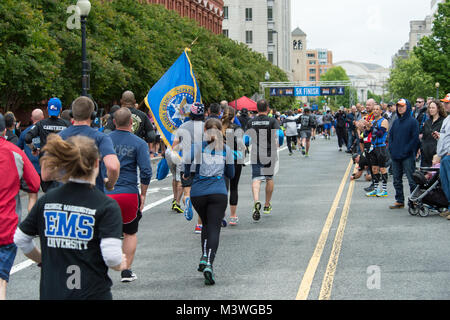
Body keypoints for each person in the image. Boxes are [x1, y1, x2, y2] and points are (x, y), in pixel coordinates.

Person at [14, 134, 126, 300]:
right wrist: (120, 264)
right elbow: (111, 257)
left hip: (52, 292)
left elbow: (21, 239)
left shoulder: (47, 200)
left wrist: (43, 259)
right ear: (96, 163)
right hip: (92, 293)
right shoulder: (106, 206)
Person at [183, 118, 234, 285]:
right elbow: (231, 174)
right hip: (218, 192)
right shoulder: (226, 149)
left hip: (199, 193)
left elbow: (186, 160)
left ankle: (204, 256)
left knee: (205, 224)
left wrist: (187, 174)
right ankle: (209, 264)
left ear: (205, 130)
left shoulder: (197, 146)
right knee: (214, 228)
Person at [105, 108, 152, 282]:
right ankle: (126, 270)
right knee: (130, 232)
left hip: (107, 192)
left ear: (114, 122)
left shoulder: (105, 141)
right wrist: (143, 194)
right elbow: (146, 171)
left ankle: (100, 271)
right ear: (132, 123)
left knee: (103, 233)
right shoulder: (139, 143)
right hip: (128, 192)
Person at [0, 113, 40, 300]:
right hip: (5, 226)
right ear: (5, 130)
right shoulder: (15, 152)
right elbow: (34, 182)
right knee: (1, 280)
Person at [55, 96, 120, 192]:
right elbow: (113, 166)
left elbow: (46, 171)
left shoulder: (59, 137)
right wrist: (110, 184)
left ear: (72, 114)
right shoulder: (101, 138)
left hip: (64, 195)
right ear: (93, 115)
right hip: (92, 195)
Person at [25, 98, 72, 192]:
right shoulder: (67, 125)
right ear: (61, 109)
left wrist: (34, 149)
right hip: (62, 164)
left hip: (46, 164)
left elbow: (27, 138)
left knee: (48, 194)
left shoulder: (40, 124)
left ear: (47, 109)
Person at [173, 102, 205, 234]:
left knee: (187, 191)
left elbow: (175, 146)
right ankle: (199, 225)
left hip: (186, 163)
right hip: (202, 164)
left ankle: (187, 201)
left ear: (191, 113)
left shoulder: (182, 126)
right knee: (203, 195)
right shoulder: (206, 127)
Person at [246, 99, 280, 221]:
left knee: (256, 178)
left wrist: (246, 146)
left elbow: (246, 138)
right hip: (269, 151)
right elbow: (280, 135)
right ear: (267, 109)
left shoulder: (251, 121)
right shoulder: (272, 120)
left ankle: (256, 201)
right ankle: (266, 205)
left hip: (256, 152)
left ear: (257, 108)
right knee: (269, 178)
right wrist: (279, 143)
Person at [388, 99, 419, 209]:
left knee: (412, 180)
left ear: (407, 107)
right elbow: (390, 136)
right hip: (395, 155)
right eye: (398, 106)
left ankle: (415, 200)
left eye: (402, 106)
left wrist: (407, 150)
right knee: (396, 179)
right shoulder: (396, 122)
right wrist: (391, 148)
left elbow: (415, 139)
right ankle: (399, 200)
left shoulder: (413, 122)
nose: (400, 108)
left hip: (407, 156)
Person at [17, 108, 45, 212]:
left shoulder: (25, 133)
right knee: (48, 196)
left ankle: (31, 222)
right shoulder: (46, 131)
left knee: (33, 197)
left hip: (30, 169)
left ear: (32, 118)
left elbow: (18, 149)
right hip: (44, 168)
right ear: (43, 117)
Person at [222, 106, 245, 226]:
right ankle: (233, 216)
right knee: (234, 187)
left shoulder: (218, 128)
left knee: (222, 188)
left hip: (220, 159)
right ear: (234, 116)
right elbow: (241, 145)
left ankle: (221, 214)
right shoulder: (237, 128)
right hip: (235, 159)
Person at [366, 105, 390, 198]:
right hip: (373, 147)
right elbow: (367, 134)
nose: (375, 111)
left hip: (381, 147)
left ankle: (384, 190)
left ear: (381, 111)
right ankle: (376, 189)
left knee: (382, 168)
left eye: (377, 109)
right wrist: (367, 128)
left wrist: (372, 126)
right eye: (374, 109)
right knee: (374, 169)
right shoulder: (373, 121)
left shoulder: (384, 121)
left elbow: (380, 134)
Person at [434, 93, 450, 218]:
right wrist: (439, 136)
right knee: (445, 182)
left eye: (447, 103)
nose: (445, 105)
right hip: (444, 155)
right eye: (444, 102)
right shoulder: (447, 119)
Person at [420, 100, 446, 168]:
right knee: (423, 176)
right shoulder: (427, 122)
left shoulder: (444, 121)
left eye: (433, 108)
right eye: (430, 108)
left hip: (437, 155)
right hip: (425, 154)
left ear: (438, 109)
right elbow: (424, 137)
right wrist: (421, 148)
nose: (431, 109)